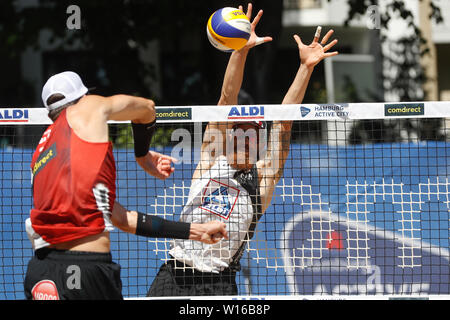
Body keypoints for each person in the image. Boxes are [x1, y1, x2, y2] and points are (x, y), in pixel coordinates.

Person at [147, 3, 339, 297]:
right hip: (175, 276)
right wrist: (241, 48)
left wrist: (305, 68)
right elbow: (226, 100)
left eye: (251, 133)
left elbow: (283, 124)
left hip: (219, 283)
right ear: (228, 136)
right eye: (238, 131)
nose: (244, 136)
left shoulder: (262, 180)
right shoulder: (211, 162)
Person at [23, 71, 228, 300]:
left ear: (51, 114)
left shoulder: (41, 155)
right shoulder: (87, 107)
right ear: (83, 96)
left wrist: (194, 231)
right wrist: (141, 155)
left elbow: (121, 218)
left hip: (40, 272)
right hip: (85, 271)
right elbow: (147, 108)